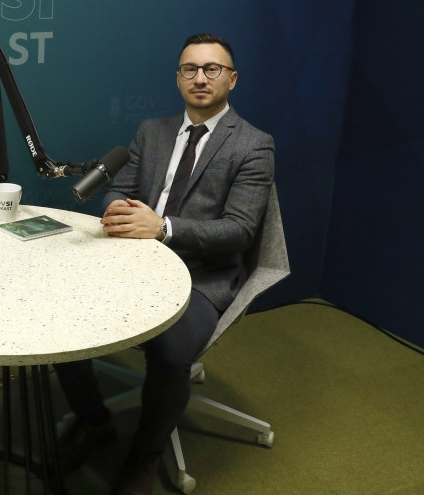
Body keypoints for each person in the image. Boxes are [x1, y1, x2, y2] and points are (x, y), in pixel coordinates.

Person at [54, 33, 274, 495]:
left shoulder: (253, 145)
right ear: (178, 77)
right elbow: (122, 187)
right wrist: (115, 208)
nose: (200, 77)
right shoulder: (152, 131)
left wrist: (164, 228)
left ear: (232, 79)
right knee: (61, 318)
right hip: (134, 261)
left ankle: (143, 458)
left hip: (201, 276)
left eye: (212, 69)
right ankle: (95, 424)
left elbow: (240, 229)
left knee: (171, 354)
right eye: (190, 69)